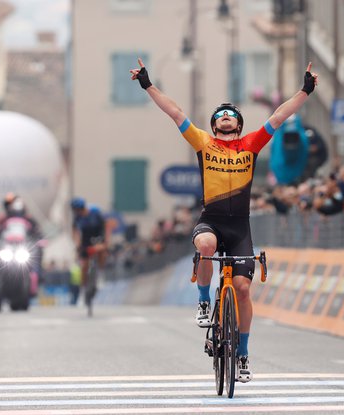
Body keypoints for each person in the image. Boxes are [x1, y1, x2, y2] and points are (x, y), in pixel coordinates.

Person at [130, 58, 318, 382]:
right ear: (216, 124)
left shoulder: (251, 144)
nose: (227, 119)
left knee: (243, 289)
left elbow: (280, 115)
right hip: (212, 221)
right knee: (204, 244)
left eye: (232, 116)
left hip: (240, 227)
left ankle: (242, 353)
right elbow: (176, 113)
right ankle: (204, 302)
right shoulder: (204, 143)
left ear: (240, 125)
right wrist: (148, 85)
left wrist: (305, 91)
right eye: (222, 116)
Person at [70, 197, 111, 304]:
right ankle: (83, 291)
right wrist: (77, 244)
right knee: (84, 266)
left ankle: (101, 274)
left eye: (78, 210)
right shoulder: (77, 217)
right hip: (86, 239)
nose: (78, 213)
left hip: (98, 235)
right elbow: (75, 232)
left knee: (102, 251)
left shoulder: (95, 213)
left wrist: (106, 242)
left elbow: (106, 226)